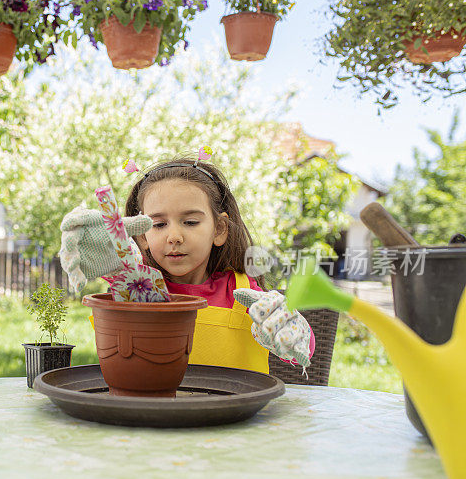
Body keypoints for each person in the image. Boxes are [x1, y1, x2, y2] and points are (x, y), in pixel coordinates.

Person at [59, 153, 314, 373]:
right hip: (151, 421)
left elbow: (301, 349)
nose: (174, 237)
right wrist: (92, 250)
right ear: (141, 236)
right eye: (158, 225)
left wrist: (293, 332)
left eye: (190, 222)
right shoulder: (131, 287)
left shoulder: (244, 293)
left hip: (233, 424)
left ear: (219, 229)